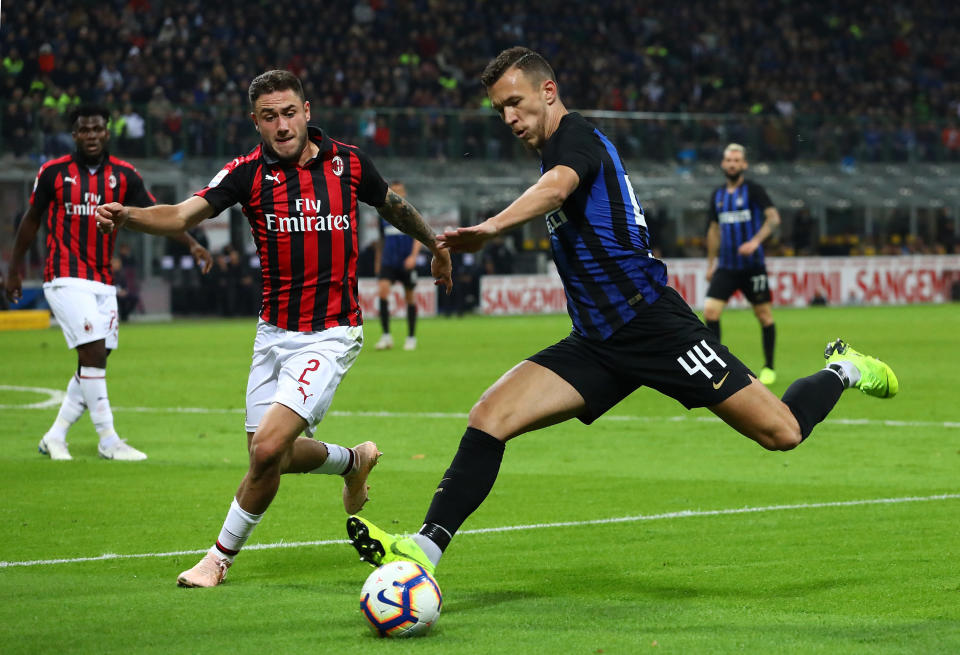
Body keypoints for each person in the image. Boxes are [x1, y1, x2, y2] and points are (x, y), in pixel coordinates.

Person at [343, 47, 899, 586]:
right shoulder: (552, 150)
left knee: (782, 432)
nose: (509, 117)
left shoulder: (577, 139)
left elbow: (558, 188)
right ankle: (424, 547)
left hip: (654, 325)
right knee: (490, 415)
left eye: (516, 101)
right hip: (596, 341)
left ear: (548, 91)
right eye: (499, 110)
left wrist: (490, 229)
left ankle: (844, 368)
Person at [94, 70, 452, 587]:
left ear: (307, 111)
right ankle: (353, 461)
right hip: (273, 333)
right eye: (269, 117)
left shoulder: (349, 163)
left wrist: (435, 247)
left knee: (265, 450)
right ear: (255, 122)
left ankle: (216, 560)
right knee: (271, 457)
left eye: (289, 113)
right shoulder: (245, 174)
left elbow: (391, 206)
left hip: (331, 333)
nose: (281, 125)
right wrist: (127, 214)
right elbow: (178, 216)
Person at [4, 104, 212, 462]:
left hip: (102, 280)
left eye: (97, 129)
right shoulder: (53, 173)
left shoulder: (124, 175)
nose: (91, 135)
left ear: (107, 131)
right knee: (94, 352)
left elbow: (155, 216)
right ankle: (108, 439)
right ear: (74, 134)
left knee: (96, 359)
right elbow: (31, 219)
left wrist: (192, 243)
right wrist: (15, 267)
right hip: (65, 275)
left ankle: (54, 436)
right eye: (84, 130)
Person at [704, 144, 781, 385]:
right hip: (726, 266)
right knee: (710, 312)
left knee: (764, 315)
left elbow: (773, 218)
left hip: (752, 266)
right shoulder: (717, 195)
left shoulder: (754, 190)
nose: (732, 164)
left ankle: (769, 367)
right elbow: (714, 230)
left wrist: (755, 241)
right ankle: (718, 366)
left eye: (737, 160)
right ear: (723, 164)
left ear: (744, 164)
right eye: (729, 160)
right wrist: (710, 264)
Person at [374, 180, 422, 351]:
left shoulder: (410, 213)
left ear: (404, 193)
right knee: (382, 293)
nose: (396, 194)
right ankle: (386, 336)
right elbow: (381, 240)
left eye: (399, 191)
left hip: (406, 261)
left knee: (409, 297)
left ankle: (411, 337)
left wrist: (413, 256)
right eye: (393, 191)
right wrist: (378, 261)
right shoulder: (383, 214)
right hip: (389, 261)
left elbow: (419, 235)